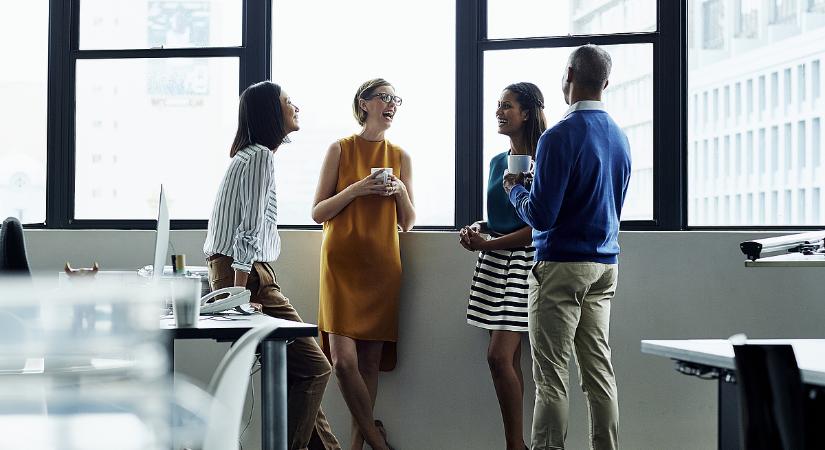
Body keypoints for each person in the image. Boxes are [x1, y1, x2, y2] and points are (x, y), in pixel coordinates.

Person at [504, 45, 631, 450]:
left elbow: (541, 216)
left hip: (560, 266)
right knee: (599, 374)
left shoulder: (559, 136)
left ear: (570, 75)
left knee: (551, 378)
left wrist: (515, 190)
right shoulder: (620, 136)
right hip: (604, 266)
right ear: (605, 82)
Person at [203, 81, 340, 450]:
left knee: (295, 372)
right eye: (287, 102)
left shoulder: (246, 157)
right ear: (269, 112)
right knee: (315, 368)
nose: (296, 106)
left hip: (242, 274)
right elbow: (247, 233)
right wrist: (240, 294)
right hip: (247, 277)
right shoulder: (260, 156)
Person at [312, 78, 415, 450]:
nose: (391, 104)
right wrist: (357, 188)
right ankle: (376, 438)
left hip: (382, 269)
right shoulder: (339, 149)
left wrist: (400, 190)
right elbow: (317, 211)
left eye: (395, 99)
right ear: (364, 103)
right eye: (384, 97)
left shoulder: (400, 156)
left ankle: (356, 446)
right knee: (342, 362)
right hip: (341, 268)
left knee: (370, 366)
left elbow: (408, 221)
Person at [459, 82, 547, 450]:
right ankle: (517, 443)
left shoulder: (544, 159)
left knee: (499, 356)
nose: (499, 111)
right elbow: (500, 215)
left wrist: (490, 242)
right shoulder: (497, 162)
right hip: (493, 264)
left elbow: (536, 226)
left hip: (524, 263)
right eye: (498, 105)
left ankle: (516, 445)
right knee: (504, 359)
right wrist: (478, 228)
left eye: (506, 106)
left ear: (526, 113)